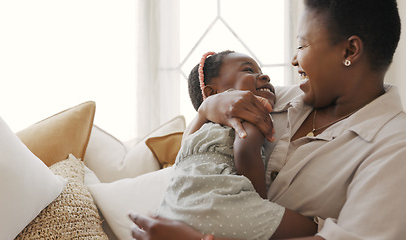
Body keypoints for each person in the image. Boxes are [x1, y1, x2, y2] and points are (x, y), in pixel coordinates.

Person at [130, 0, 406, 239]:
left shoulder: (394, 147)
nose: (294, 60)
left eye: (302, 45)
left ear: (349, 51)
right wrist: (206, 109)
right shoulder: (277, 99)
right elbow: (191, 158)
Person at [155, 50, 317, 240]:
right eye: (249, 70)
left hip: (172, 210)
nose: (265, 76)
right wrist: (258, 203)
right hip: (219, 205)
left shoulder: (196, 131)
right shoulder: (243, 107)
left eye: (261, 71)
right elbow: (246, 151)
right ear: (212, 93)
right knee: (313, 229)